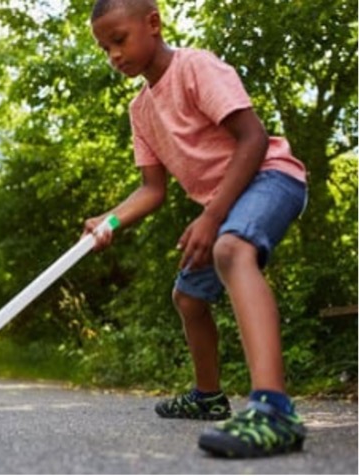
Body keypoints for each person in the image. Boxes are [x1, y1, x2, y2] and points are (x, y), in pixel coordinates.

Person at [84, 0, 308, 458]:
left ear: (153, 23)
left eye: (119, 40)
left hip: (270, 177)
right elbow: (152, 190)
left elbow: (254, 138)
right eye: (105, 48)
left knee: (230, 250)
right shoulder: (140, 110)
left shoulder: (196, 68)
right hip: (222, 205)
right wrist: (107, 221)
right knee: (187, 296)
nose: (114, 56)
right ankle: (208, 397)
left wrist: (211, 217)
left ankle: (274, 409)